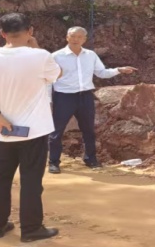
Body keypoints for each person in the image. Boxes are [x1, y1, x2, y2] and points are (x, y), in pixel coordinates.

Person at [0, 13, 62, 241]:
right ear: (30, 31)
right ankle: (31, 229)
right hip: (34, 131)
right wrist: (36, 47)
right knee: (31, 181)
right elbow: (57, 74)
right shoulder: (41, 56)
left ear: (2, 33)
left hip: (0, 131)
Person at [48, 26, 136, 173]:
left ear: (84, 39)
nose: (76, 39)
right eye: (72, 36)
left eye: (79, 37)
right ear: (67, 37)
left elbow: (101, 73)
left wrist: (119, 70)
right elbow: (49, 79)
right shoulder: (56, 56)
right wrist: (48, 99)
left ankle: (91, 159)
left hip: (85, 96)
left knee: (88, 129)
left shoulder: (90, 55)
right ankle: (53, 162)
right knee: (57, 130)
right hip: (64, 97)